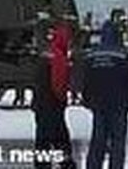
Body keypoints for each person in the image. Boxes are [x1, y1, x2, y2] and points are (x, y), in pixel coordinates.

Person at [83, 20, 128, 169]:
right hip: (119, 106)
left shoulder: (92, 55)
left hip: (99, 106)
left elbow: (87, 80)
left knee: (98, 140)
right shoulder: (123, 55)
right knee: (117, 142)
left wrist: (87, 100)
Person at [32, 22, 75, 169]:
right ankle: (66, 163)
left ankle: (41, 164)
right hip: (53, 103)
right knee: (60, 136)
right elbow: (58, 82)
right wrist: (62, 98)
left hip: (41, 102)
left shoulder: (45, 54)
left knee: (42, 137)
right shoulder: (58, 57)